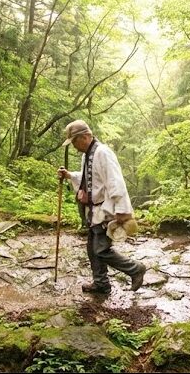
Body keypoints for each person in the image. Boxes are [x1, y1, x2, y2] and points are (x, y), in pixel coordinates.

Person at [57, 120, 146, 295]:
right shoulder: (87, 155)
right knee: (92, 249)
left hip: (105, 210)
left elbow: (115, 181)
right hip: (92, 211)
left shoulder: (103, 153)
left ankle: (135, 269)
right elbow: (88, 178)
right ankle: (101, 283)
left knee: (101, 250)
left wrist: (122, 210)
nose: (74, 146)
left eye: (74, 141)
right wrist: (70, 175)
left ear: (85, 136)